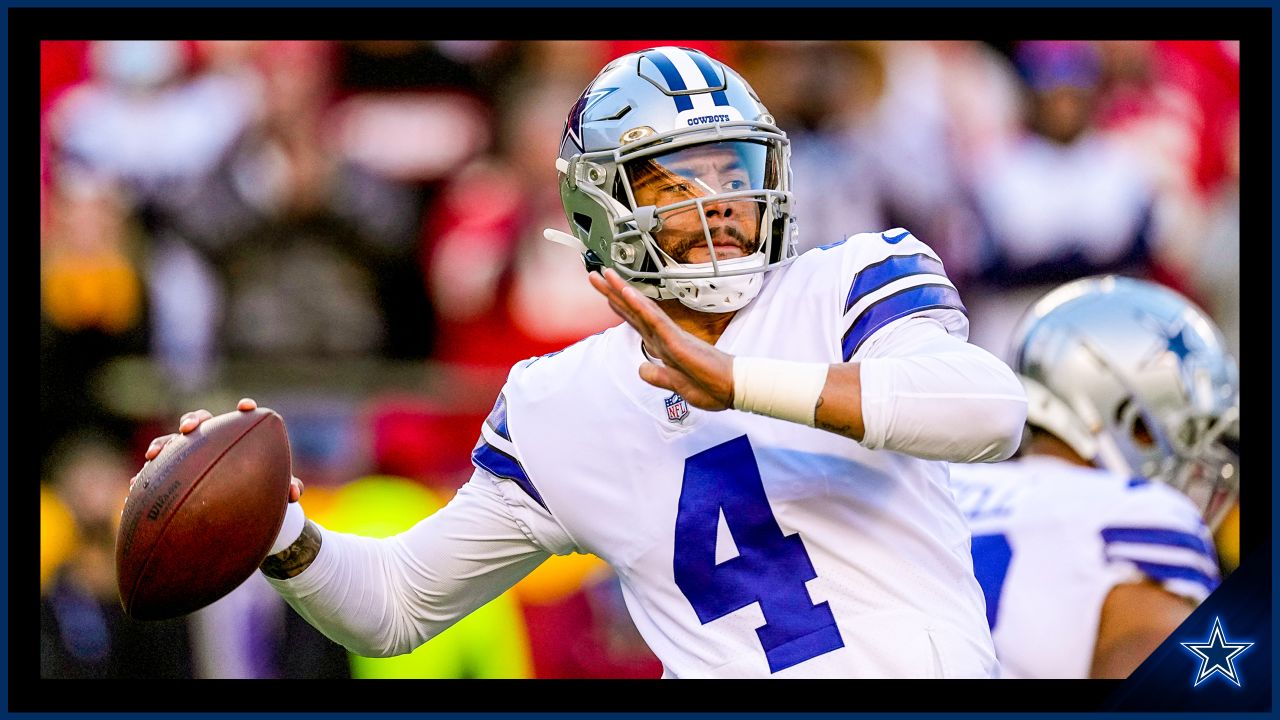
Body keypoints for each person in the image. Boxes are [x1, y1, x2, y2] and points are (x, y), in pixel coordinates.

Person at [140, 46, 1027, 678]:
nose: (720, 200)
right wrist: (279, 536)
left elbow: (986, 414)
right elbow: (396, 606)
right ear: (601, 208)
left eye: (734, 169)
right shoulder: (560, 401)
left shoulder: (852, 280)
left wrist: (742, 384)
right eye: (677, 181)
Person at [948, 275, 1238, 678]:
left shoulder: (944, 490)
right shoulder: (1141, 515)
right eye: (1186, 434)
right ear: (1127, 419)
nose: (1196, 467)